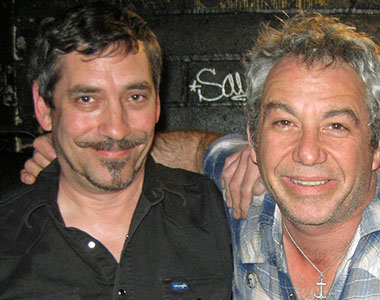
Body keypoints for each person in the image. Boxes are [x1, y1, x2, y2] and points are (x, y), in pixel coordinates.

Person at [18, 11, 380, 300]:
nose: (307, 153)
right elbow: (189, 147)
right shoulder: (240, 203)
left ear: (379, 145)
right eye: (283, 122)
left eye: (338, 125)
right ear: (253, 135)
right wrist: (81, 150)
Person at [0, 2, 232, 299]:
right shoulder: (7, 239)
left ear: (158, 103)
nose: (116, 129)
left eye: (135, 97)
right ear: (44, 108)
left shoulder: (220, 214)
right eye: (87, 99)